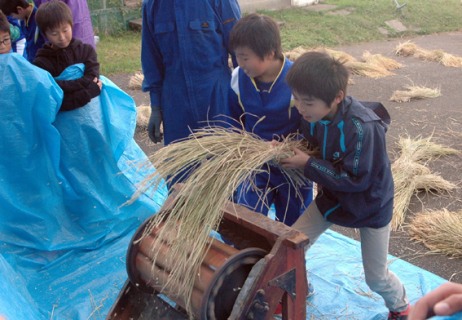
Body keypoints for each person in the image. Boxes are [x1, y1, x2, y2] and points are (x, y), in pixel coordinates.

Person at [276, 51, 410, 319]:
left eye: (308, 102)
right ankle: (296, 288)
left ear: (337, 97)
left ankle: (401, 307)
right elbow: (310, 145)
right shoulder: (312, 116)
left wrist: (307, 164)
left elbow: (356, 179)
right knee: (288, 247)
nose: (300, 108)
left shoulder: (362, 129)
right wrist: (284, 149)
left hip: (369, 205)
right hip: (332, 197)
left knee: (376, 278)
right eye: (296, 99)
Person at [227, 13, 312, 227]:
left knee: (292, 228)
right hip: (254, 162)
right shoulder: (238, 78)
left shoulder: (299, 80)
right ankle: (252, 258)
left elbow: (312, 126)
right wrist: (244, 148)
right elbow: (233, 121)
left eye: (245, 57)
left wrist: (290, 148)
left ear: (269, 53)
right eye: (237, 56)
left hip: (292, 165)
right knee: (246, 220)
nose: (239, 62)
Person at [141, 0, 241, 145]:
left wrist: (247, 98)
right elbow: (151, 59)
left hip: (217, 96)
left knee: (225, 160)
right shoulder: (152, 5)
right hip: (176, 102)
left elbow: (241, 49)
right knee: (180, 164)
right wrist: (156, 107)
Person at [33, 1, 102, 111]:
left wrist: (62, 86)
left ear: (72, 25)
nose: (62, 37)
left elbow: (92, 78)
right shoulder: (41, 63)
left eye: (65, 30)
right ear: (44, 33)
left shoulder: (86, 51)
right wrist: (87, 92)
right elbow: (53, 99)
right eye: (54, 34)